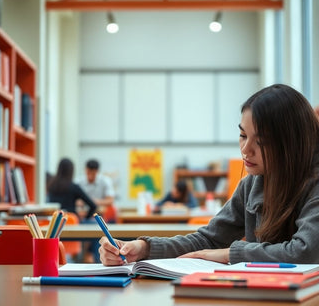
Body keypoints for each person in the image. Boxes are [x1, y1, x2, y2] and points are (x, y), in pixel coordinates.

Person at [99, 84, 319, 266]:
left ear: (292, 143)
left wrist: (229, 254)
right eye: (243, 135)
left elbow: (305, 252)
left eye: (261, 142)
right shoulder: (251, 185)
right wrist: (143, 248)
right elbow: (208, 239)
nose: (245, 149)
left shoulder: (314, 184)